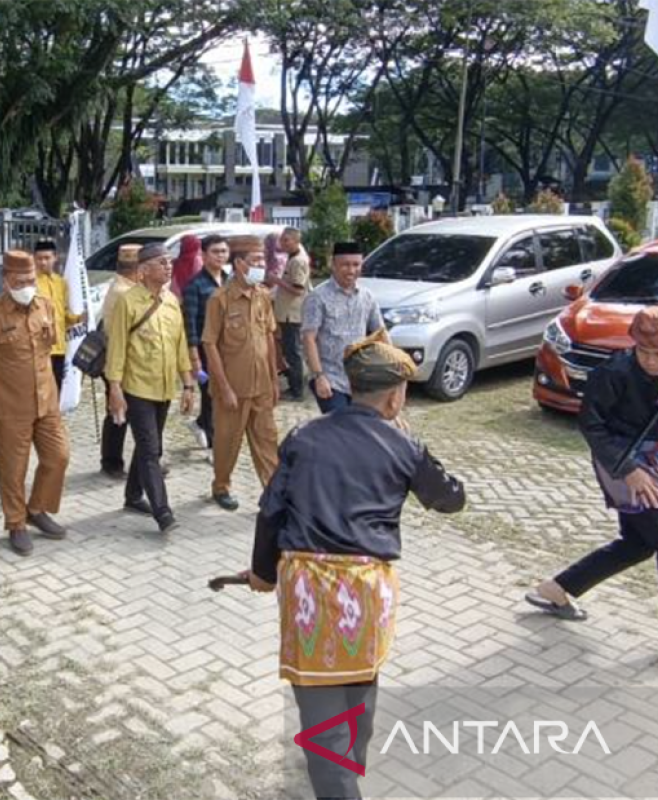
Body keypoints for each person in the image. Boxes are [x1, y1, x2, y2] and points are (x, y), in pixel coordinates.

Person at [247, 330, 465, 800]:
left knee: (323, 714)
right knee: (359, 686)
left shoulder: (305, 436)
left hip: (310, 592)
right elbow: (450, 499)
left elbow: (271, 510)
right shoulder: (403, 445)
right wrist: (417, 446)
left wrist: (263, 573)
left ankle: (338, 782)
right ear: (393, 397)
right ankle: (346, 773)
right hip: (367, 592)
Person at [526, 303, 658, 670]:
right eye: (642, 350)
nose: (649, 360)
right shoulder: (613, 372)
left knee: (639, 544)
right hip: (619, 461)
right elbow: (592, 426)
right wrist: (627, 469)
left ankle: (557, 589)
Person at [0, 250, 71, 555]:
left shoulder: (46, 306)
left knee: (59, 457)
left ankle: (36, 508)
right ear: (5, 280)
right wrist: (4, 383)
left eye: (31, 279)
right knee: (13, 470)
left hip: (46, 401)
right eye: (20, 280)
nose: (28, 285)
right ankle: (16, 523)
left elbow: (48, 347)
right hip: (10, 407)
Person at [105, 243, 195, 533]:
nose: (168, 267)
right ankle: (163, 511)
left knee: (148, 443)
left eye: (169, 262)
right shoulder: (127, 302)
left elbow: (180, 344)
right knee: (150, 449)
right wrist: (114, 388)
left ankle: (133, 496)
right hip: (137, 386)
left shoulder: (171, 301)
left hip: (165, 386)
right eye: (161, 263)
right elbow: (117, 346)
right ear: (143, 270)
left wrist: (189, 383)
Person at [201, 236, 279, 511]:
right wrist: (223, 388)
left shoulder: (262, 295)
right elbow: (210, 344)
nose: (260, 265)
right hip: (232, 388)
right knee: (227, 443)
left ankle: (273, 494)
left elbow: (269, 337)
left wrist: (274, 377)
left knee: (267, 441)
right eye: (255, 261)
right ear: (238, 264)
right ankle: (221, 486)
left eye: (262, 260)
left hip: (262, 386)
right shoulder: (219, 299)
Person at [302, 241, 385, 413]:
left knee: (360, 428)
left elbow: (380, 333)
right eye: (345, 265)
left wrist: (398, 365)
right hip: (330, 378)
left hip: (359, 379)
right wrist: (319, 376)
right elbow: (308, 338)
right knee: (339, 428)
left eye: (356, 265)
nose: (351, 270)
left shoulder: (367, 297)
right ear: (333, 265)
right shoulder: (318, 297)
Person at [180, 235, 230, 452]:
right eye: (215, 251)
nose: (220, 256)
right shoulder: (195, 285)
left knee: (221, 394)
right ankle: (212, 444)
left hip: (228, 348)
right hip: (204, 348)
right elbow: (190, 325)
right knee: (211, 395)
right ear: (204, 254)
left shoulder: (230, 279)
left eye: (224, 251)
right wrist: (194, 358)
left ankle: (202, 424)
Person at [99, 243, 143, 479]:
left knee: (125, 413)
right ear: (137, 269)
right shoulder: (123, 292)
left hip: (128, 360)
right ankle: (111, 461)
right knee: (118, 413)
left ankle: (144, 459)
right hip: (120, 361)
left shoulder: (126, 286)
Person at [270, 228, 311, 402]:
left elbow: (297, 289)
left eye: (286, 240)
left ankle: (298, 390)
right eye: (282, 240)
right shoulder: (292, 258)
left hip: (293, 314)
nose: (283, 243)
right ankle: (296, 385)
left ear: (295, 240)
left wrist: (277, 281)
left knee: (293, 351)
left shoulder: (298, 261)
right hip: (287, 313)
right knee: (290, 350)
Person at [33, 239, 77, 393]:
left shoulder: (61, 283)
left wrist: (79, 318)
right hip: (40, 348)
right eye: (39, 258)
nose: (43, 262)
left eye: (47, 258)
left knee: (57, 388)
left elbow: (63, 313)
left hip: (59, 347)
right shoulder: (31, 284)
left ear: (55, 258)